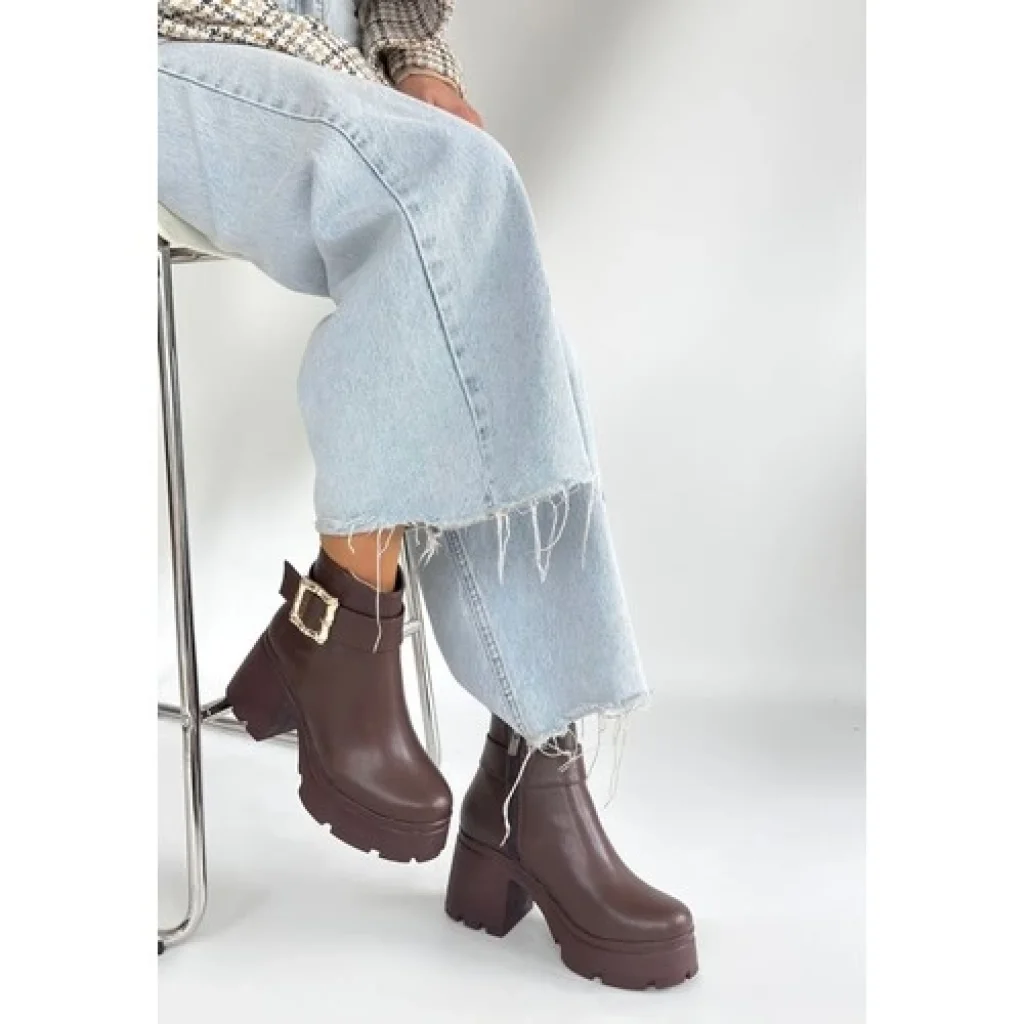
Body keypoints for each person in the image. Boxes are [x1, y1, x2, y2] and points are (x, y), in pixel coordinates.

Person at [158, 0, 697, 990]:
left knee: (469, 195)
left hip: (322, 58)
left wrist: (414, 61)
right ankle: (376, 640)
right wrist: (339, 70)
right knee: (444, 182)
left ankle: (506, 747)